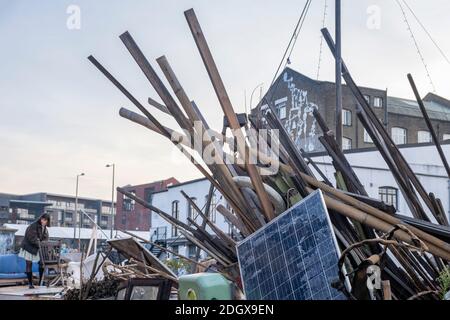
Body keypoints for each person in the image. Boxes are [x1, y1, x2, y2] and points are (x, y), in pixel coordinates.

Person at [18, 213, 50, 289]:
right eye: (43, 219)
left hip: (36, 247)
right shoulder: (33, 225)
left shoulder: (45, 228)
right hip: (28, 247)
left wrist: (43, 243)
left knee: (41, 263)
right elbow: (32, 238)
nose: (43, 221)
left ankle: (40, 282)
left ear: (47, 221)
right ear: (40, 218)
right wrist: (40, 243)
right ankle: (30, 284)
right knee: (29, 264)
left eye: (45, 220)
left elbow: (46, 238)